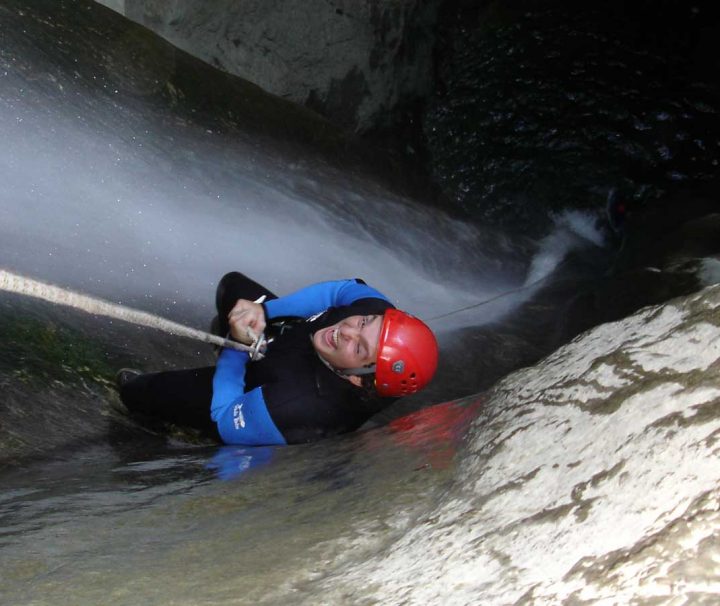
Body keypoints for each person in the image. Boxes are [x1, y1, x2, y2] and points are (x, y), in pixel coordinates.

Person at [117, 272, 439, 445]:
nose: (347, 330)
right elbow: (336, 293)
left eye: (359, 349)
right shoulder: (375, 310)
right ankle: (248, 334)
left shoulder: (299, 406)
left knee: (137, 392)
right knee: (234, 287)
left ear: (358, 377)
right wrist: (264, 311)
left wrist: (236, 347)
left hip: (263, 388)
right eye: (364, 323)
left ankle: (227, 359)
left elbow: (225, 418)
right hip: (288, 346)